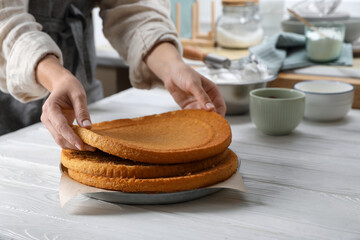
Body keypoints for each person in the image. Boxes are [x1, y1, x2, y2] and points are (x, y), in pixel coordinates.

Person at [0, 0, 226, 151]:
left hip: (81, 99)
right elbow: (5, 20)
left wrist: (171, 65)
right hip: (8, 109)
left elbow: (133, 6)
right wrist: (55, 77)